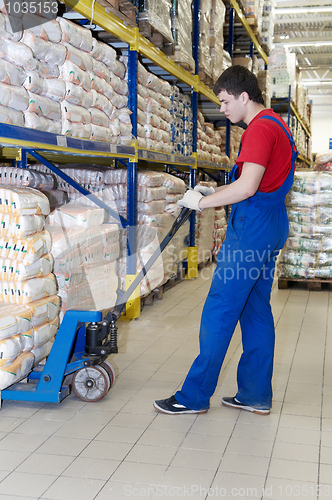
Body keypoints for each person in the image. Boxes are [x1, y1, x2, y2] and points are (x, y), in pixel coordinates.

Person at [153, 65, 298, 416]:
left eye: (225, 101)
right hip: (272, 223)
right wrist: (213, 190)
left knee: (220, 308)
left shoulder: (259, 130)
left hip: (252, 230)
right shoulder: (278, 124)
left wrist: (199, 202)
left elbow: (248, 188)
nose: (223, 109)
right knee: (256, 311)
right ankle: (255, 394)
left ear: (244, 97)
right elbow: (259, 183)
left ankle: (193, 396)